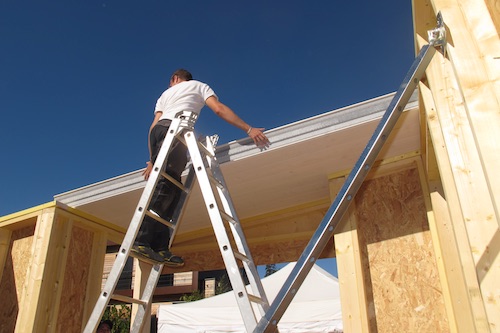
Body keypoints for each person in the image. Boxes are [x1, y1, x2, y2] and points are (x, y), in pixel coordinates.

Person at [132, 69, 270, 266]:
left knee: (173, 188)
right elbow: (219, 109)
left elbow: (154, 127)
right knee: (166, 187)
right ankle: (141, 242)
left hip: (162, 133)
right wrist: (248, 129)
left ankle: (160, 247)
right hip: (175, 131)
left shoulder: (164, 95)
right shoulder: (199, 85)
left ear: (174, 79)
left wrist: (153, 158)